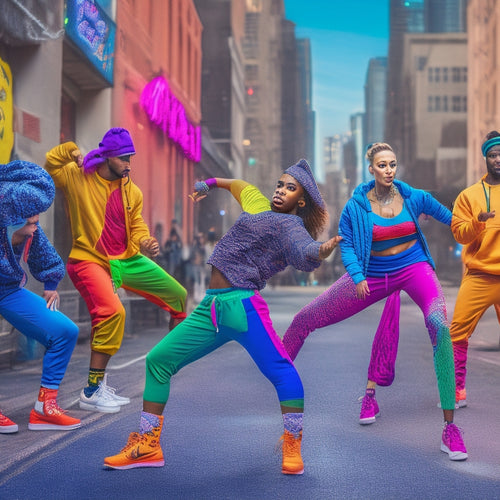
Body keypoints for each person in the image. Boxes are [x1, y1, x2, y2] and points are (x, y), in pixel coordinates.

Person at [103, 159, 341, 474]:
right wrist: (209, 184)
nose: (281, 191)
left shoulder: (291, 225)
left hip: (242, 307)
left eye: (290, 188)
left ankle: (293, 444)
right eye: (280, 184)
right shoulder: (258, 202)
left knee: (280, 370)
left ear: (301, 200)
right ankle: (147, 444)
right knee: (158, 360)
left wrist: (321, 250)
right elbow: (237, 184)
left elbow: (305, 250)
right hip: (210, 309)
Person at [282, 143, 468, 461]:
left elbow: (451, 220)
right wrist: (357, 277)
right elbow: (349, 246)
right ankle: (276, 371)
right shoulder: (355, 207)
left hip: (415, 270)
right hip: (372, 277)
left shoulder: (414, 197)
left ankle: (450, 430)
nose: (388, 170)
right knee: (304, 319)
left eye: (393, 164)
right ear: (371, 169)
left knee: (440, 325)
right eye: (382, 165)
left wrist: (473, 226)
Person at [45, 128, 187, 414]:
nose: (128, 164)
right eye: (123, 158)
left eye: (130, 158)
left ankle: (167, 364)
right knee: (112, 312)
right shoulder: (77, 177)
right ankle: (92, 390)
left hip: (127, 259)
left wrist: (145, 241)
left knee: (178, 295)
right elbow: (51, 163)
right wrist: (72, 149)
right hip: (89, 259)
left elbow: (136, 227)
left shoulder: (132, 190)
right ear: (108, 157)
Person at [0, 160, 80, 433]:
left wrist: (51, 282)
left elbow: (44, 255)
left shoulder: (30, 228)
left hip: (8, 290)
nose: (35, 227)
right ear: (11, 221)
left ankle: (45, 408)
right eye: (31, 223)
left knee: (65, 331)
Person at [449, 130, 500, 408]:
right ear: (486, 159)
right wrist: (479, 222)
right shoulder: (468, 196)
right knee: (456, 332)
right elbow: (460, 235)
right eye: (493, 155)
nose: (498, 159)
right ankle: (457, 389)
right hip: (479, 276)